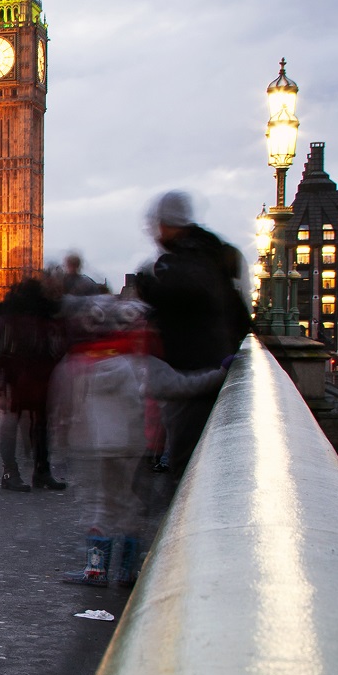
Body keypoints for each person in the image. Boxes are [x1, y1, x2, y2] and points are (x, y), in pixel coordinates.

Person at [51, 297, 225, 587]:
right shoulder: (141, 364)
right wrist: (221, 373)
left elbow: (64, 404)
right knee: (129, 505)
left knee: (100, 504)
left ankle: (96, 569)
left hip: (96, 446)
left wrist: (66, 439)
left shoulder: (82, 362)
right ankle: (127, 570)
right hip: (130, 444)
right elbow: (183, 386)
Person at [133, 191, 251, 473]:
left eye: (158, 225)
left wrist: (147, 284)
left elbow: (183, 292)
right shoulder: (214, 252)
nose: (155, 232)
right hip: (209, 367)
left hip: (196, 373)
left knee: (189, 467)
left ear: (170, 224)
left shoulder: (189, 259)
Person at [0, 276, 67, 491]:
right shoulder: (36, 319)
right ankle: (33, 471)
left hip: (24, 377)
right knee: (33, 424)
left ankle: (18, 472)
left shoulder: (14, 319)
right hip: (26, 377)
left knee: (21, 423)